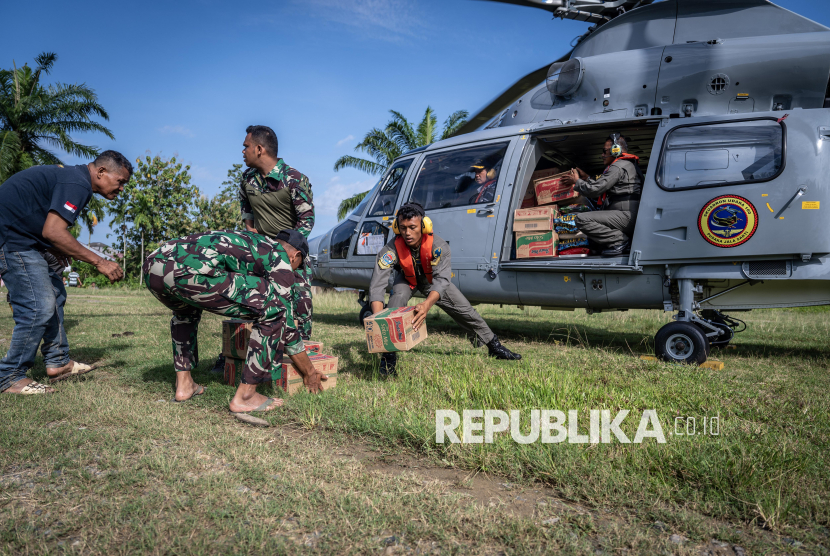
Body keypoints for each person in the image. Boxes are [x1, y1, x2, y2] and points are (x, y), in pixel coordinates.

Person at [142, 229, 327, 413]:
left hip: (153, 265)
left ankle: (184, 385)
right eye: (298, 266)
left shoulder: (255, 242)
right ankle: (246, 397)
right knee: (276, 309)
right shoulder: (280, 259)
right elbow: (286, 327)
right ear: (295, 256)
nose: (293, 272)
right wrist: (310, 373)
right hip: (190, 270)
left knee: (186, 312)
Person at [0, 151, 130, 395]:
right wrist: (100, 262)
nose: (121, 188)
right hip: (12, 241)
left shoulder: (75, 178)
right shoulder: (77, 183)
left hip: (26, 239)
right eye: (120, 181)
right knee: (37, 305)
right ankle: (9, 376)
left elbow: (43, 224)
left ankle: (58, 362)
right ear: (101, 172)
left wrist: (51, 245)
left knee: (55, 294)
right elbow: (53, 230)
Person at [369, 202, 521, 375]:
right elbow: (377, 284)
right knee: (394, 306)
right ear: (397, 228)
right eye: (403, 228)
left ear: (424, 225)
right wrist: (378, 320)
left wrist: (426, 305)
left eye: (412, 227)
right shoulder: (390, 249)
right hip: (406, 279)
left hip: (431, 280)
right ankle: (388, 359)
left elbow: (442, 281)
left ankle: (494, 346)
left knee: (465, 309)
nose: (407, 233)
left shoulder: (439, 246)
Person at [239, 125, 315, 342]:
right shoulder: (247, 179)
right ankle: (240, 353)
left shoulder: (294, 179)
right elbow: (247, 211)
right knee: (251, 304)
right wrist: (250, 233)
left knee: (300, 306)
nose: (243, 151)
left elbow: (306, 222)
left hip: (292, 255)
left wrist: (284, 250)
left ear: (259, 149)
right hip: (261, 253)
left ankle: (302, 359)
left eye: (246, 147)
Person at [560, 133, 643, 257]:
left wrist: (576, 181)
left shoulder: (619, 166)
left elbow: (595, 190)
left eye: (604, 151)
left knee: (582, 219)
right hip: (627, 214)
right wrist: (587, 178)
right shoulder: (627, 164)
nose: (602, 155)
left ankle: (620, 241)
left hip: (625, 214)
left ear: (615, 150)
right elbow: (603, 186)